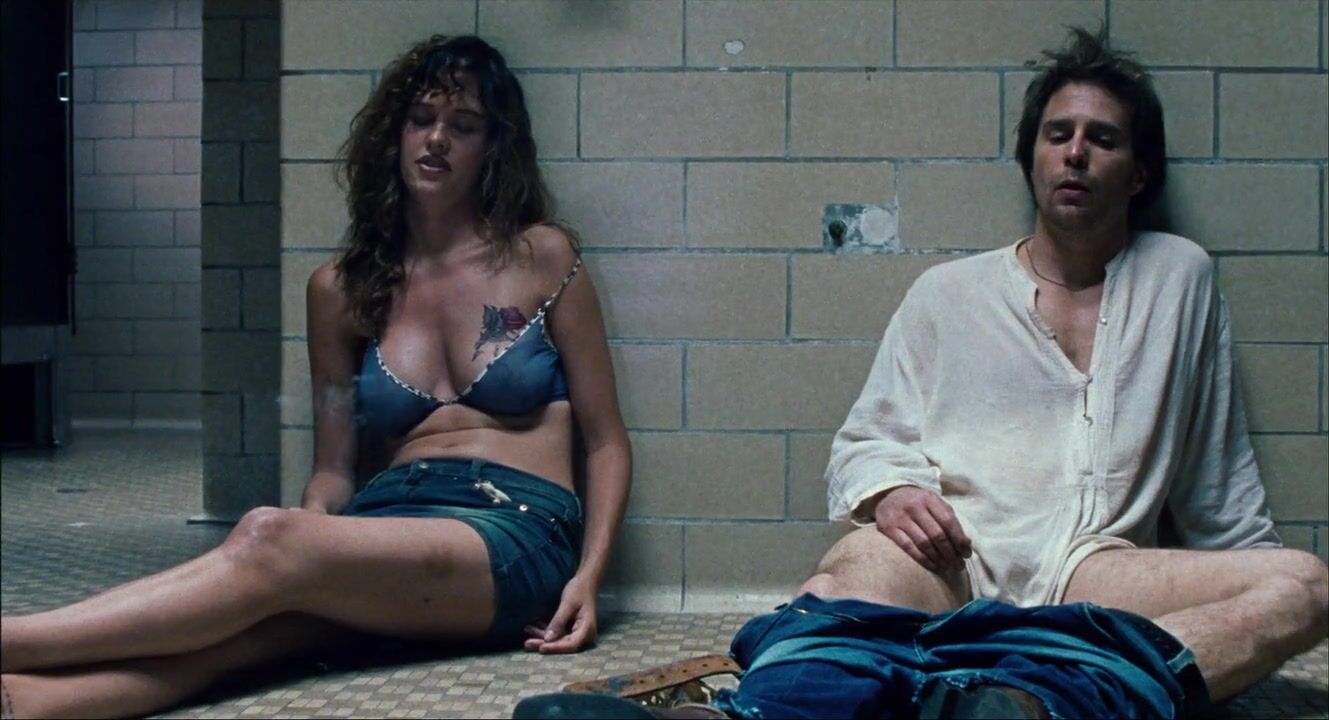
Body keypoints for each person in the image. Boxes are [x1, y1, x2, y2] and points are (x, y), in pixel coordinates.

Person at [515, 26, 1327, 720]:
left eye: (1102, 138)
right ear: (1030, 157)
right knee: (851, 568)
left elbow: (1215, 475)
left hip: (1098, 572)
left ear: (1138, 172)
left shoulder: (1179, 278)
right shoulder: (949, 293)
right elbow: (865, 442)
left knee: (1306, 587)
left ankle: (1014, 695)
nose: (1075, 152)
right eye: (1057, 134)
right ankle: (760, 714)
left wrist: (1241, 580)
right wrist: (893, 495)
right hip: (958, 556)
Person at [0, 34, 631, 720]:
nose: (436, 139)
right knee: (243, 640)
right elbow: (333, 468)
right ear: (393, 135)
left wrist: (589, 577)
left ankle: (13, 638)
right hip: (386, 523)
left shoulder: (541, 255)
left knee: (267, 536)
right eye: (421, 119)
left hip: (515, 531)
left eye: (464, 125)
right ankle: (25, 702)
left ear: (493, 147)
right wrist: (313, 536)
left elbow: (605, 442)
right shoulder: (341, 290)